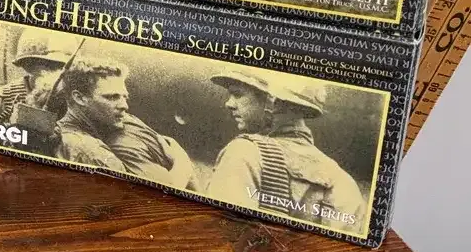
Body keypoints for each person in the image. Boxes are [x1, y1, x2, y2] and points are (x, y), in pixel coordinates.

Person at [204, 70, 364, 228]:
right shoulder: (344, 182)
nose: (229, 104)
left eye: (237, 94)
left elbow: (221, 231)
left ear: (273, 102)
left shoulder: (244, 153)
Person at [55, 60, 195, 188]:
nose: (124, 106)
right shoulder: (87, 148)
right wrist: (183, 164)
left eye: (124, 97)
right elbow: (152, 198)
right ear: (80, 98)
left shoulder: (110, 123)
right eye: (112, 97)